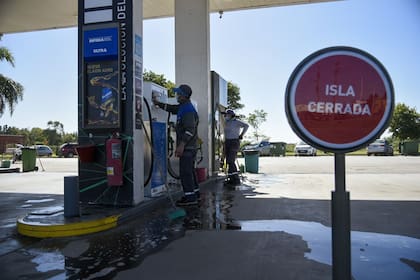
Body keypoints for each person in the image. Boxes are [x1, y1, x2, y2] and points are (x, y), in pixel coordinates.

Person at [153, 84, 200, 206]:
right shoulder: (183, 107)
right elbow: (172, 109)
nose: (177, 96)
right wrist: (158, 103)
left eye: (178, 94)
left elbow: (190, 130)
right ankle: (195, 194)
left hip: (188, 147)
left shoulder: (188, 110)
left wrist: (182, 145)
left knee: (185, 173)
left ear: (184, 96)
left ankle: (190, 198)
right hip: (190, 147)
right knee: (189, 171)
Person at [222, 109, 249, 186]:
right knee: (228, 161)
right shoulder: (227, 122)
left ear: (230, 115)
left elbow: (246, 126)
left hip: (234, 142)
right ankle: (231, 178)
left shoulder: (236, 122)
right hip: (227, 142)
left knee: (231, 160)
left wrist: (241, 135)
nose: (225, 116)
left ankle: (236, 179)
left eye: (226, 115)